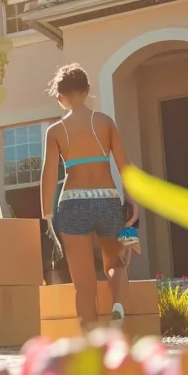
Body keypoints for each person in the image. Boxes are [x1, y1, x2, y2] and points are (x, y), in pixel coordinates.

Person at [40, 64, 139, 331]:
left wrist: (47, 215)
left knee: (82, 283)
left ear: (60, 96)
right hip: (107, 199)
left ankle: (91, 339)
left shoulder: (56, 131)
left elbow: (48, 175)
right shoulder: (105, 122)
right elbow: (124, 165)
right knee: (114, 262)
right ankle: (118, 305)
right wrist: (131, 199)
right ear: (87, 90)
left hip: (72, 203)